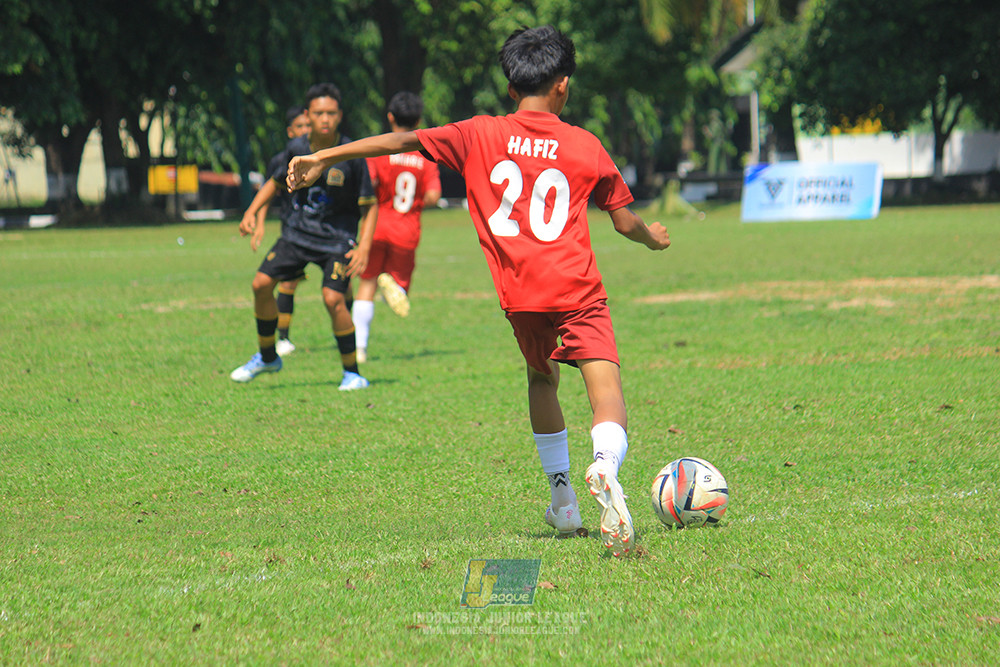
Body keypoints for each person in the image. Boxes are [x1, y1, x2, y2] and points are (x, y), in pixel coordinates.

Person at [287, 27, 670, 556]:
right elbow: (624, 222)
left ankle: (563, 502)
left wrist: (325, 158)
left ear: (512, 89)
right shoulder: (585, 144)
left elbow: (402, 142)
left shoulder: (478, 134)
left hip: (519, 293)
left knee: (542, 379)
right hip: (577, 288)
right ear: (563, 86)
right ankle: (604, 467)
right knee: (606, 393)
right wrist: (654, 239)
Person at [233, 82, 377, 391]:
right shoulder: (297, 148)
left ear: (340, 116)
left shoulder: (351, 153)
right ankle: (268, 356)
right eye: (318, 113)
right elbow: (274, 182)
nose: (325, 118)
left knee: (333, 298)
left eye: (331, 113)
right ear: (307, 115)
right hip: (298, 234)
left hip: (337, 239)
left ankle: (352, 373)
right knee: (260, 284)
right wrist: (251, 211)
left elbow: (370, 205)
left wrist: (364, 245)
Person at [353, 92, 441, 363]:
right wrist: (416, 202)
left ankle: (359, 348)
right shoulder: (425, 156)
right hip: (407, 230)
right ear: (419, 120)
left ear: (390, 117)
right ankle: (395, 285)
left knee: (365, 284)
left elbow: (371, 182)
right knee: (400, 288)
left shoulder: (380, 149)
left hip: (376, 227)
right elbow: (434, 196)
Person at [245, 105, 311, 358]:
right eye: (300, 126)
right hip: (293, 228)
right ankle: (282, 337)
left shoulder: (319, 154)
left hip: (321, 230)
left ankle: (353, 333)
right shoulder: (280, 160)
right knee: (288, 283)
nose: (305, 130)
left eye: (307, 125)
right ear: (290, 131)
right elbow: (269, 191)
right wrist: (259, 223)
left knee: (341, 288)